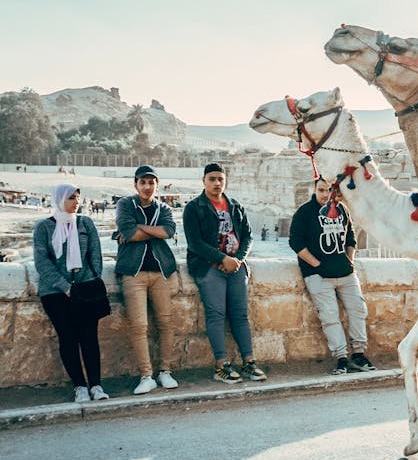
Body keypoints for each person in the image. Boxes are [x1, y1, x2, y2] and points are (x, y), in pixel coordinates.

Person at [183, 162, 265, 383]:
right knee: (216, 314)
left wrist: (237, 260)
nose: (217, 183)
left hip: (236, 268)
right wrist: (222, 259)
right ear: (204, 181)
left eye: (220, 179)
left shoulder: (235, 206)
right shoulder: (194, 207)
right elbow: (195, 243)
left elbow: (247, 237)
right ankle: (221, 365)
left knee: (240, 315)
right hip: (209, 268)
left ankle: (249, 362)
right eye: (212, 179)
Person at [289, 177, 374, 375]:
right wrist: (317, 264)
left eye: (329, 190)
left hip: (345, 273)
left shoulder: (341, 209)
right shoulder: (304, 212)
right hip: (317, 275)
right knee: (329, 317)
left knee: (358, 310)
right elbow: (295, 242)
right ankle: (341, 358)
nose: (326, 195)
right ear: (314, 189)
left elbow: (351, 237)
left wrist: (349, 260)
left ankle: (359, 355)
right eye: (321, 190)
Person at [32, 184, 110, 402]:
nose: (76, 202)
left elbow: (96, 257)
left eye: (77, 197)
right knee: (68, 338)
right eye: (70, 198)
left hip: (84, 289)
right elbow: (42, 262)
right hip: (55, 292)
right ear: (59, 200)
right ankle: (79, 386)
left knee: (89, 338)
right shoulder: (44, 227)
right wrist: (64, 286)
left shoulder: (86, 223)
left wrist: (88, 281)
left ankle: (96, 385)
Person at [115, 164, 180, 394]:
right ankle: (146, 375)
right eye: (143, 182)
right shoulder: (125, 204)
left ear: (157, 185)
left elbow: (168, 231)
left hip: (161, 271)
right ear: (135, 184)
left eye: (151, 182)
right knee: (139, 325)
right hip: (134, 272)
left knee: (166, 322)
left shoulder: (163, 207)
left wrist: (138, 228)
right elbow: (127, 231)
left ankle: (165, 371)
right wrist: (151, 230)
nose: (147, 186)